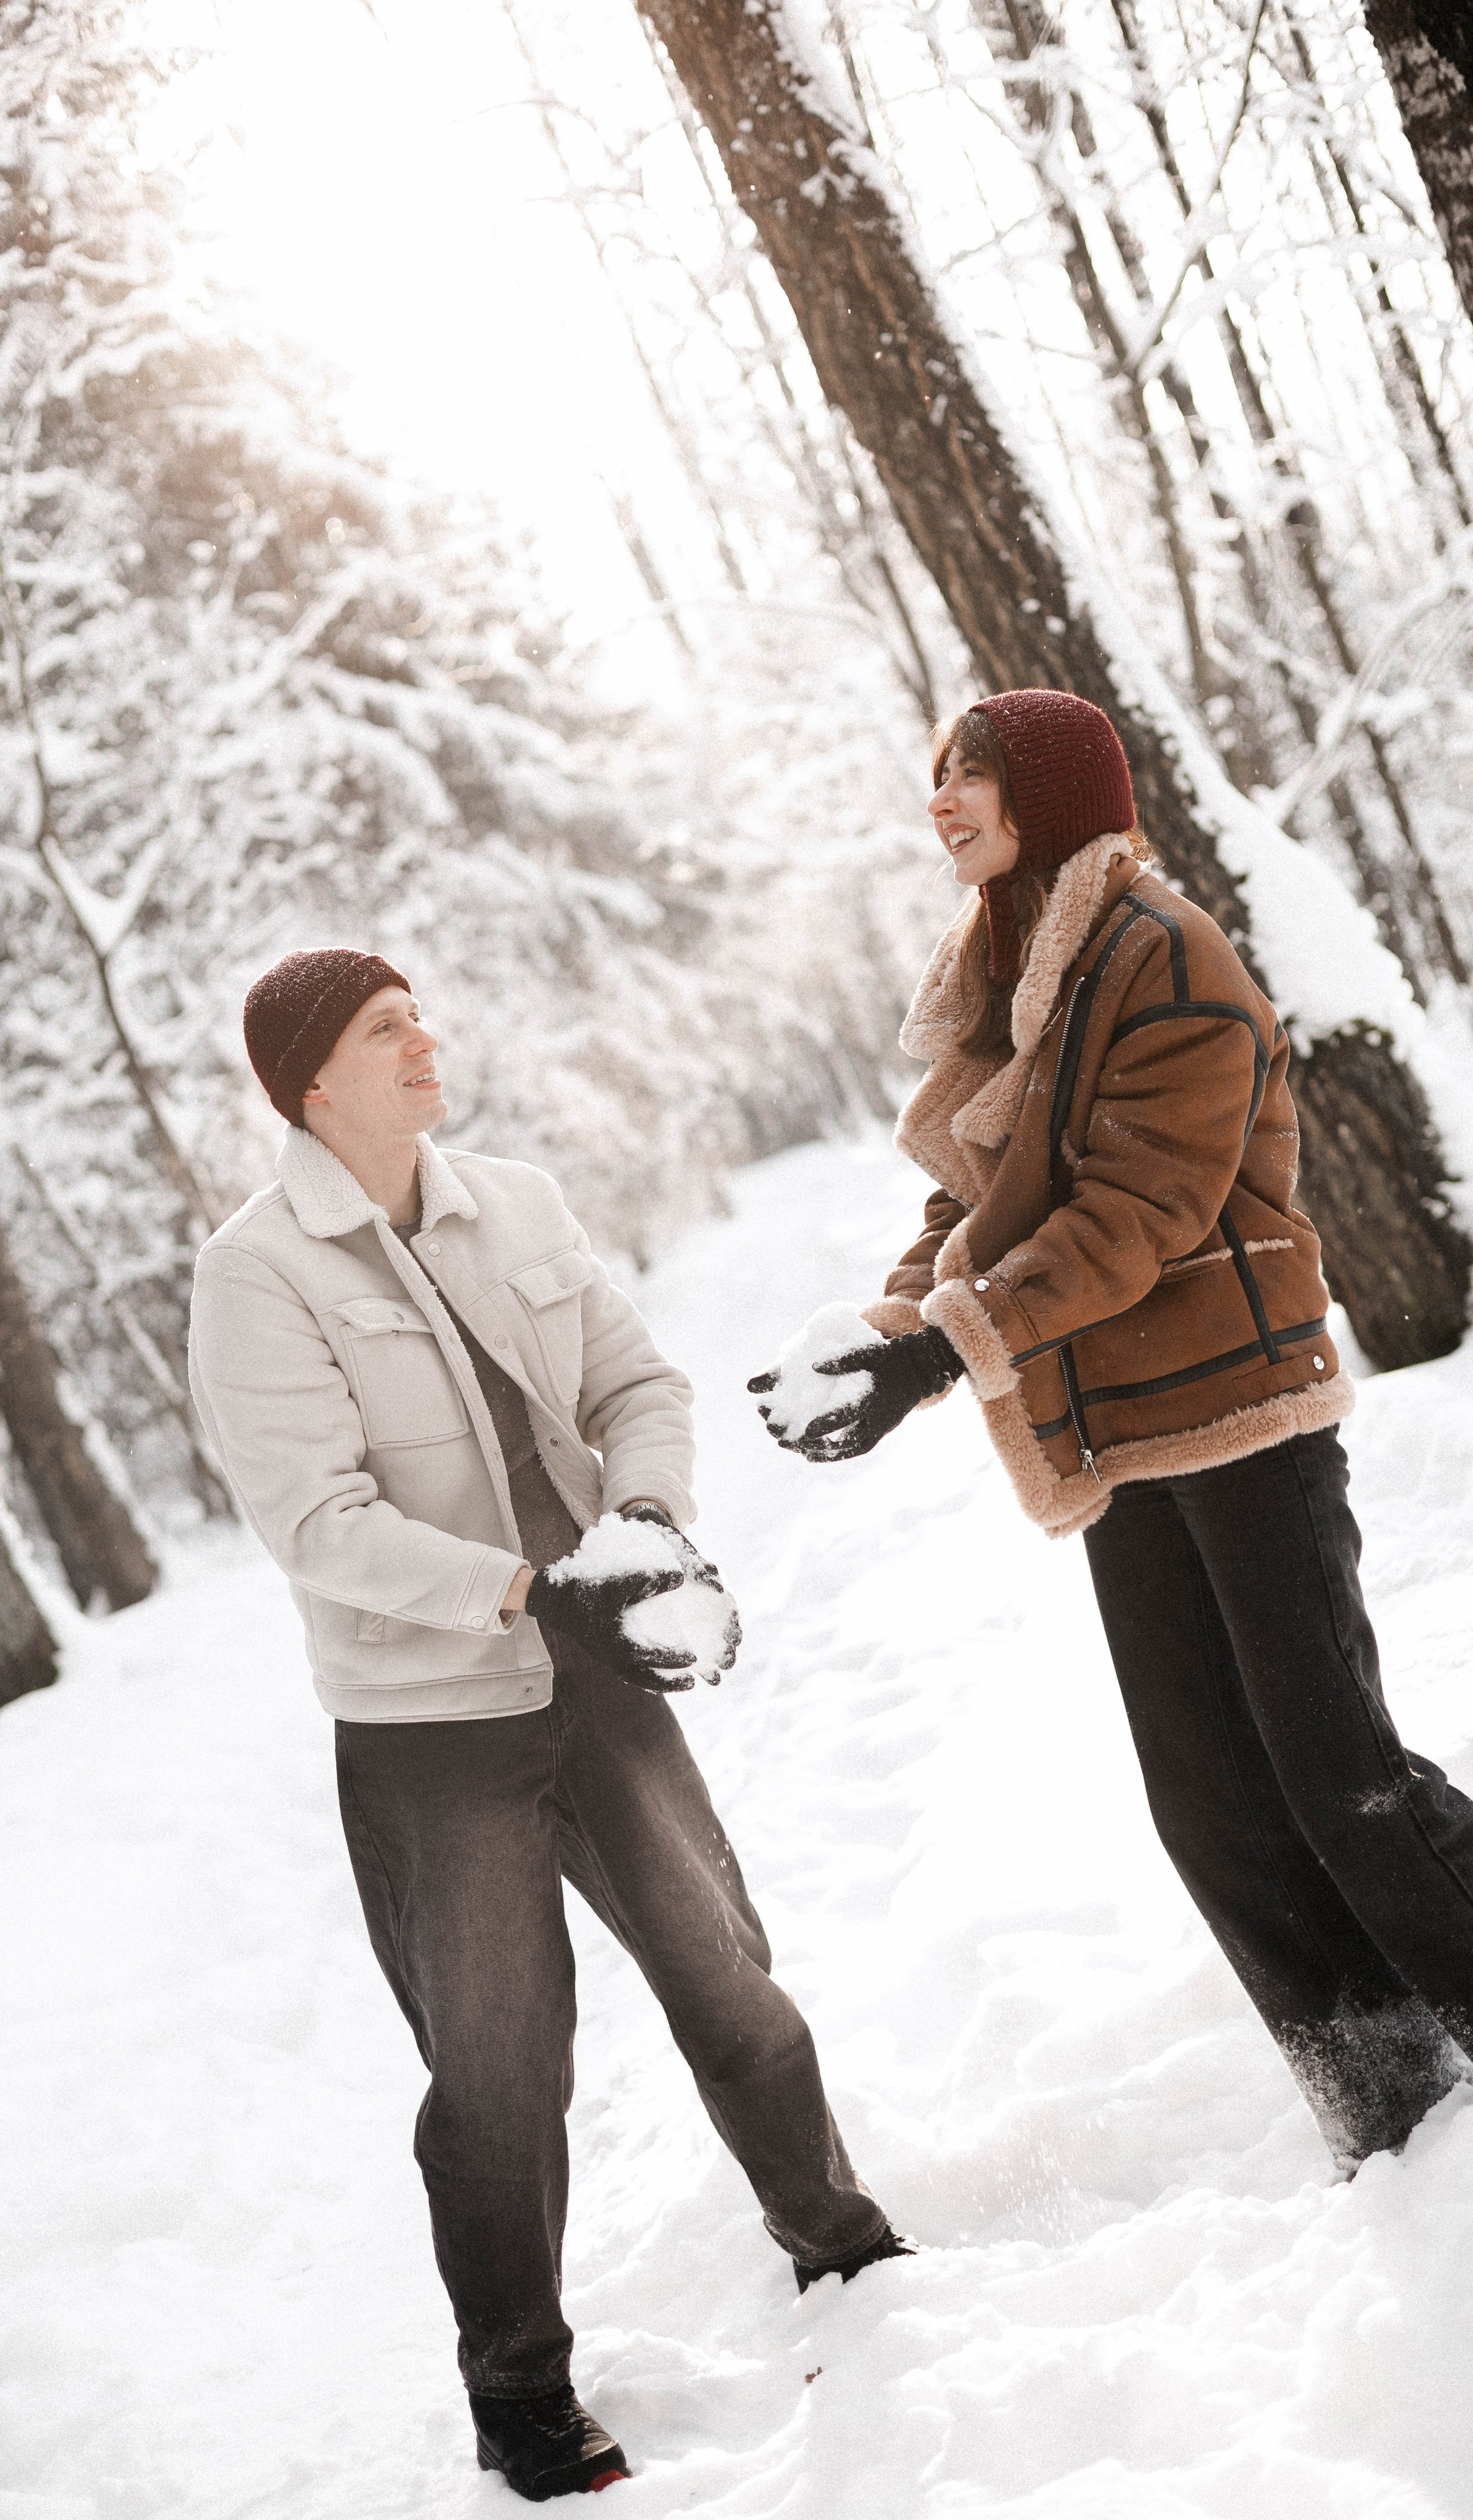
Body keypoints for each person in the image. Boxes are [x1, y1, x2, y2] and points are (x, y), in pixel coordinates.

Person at [188, 949, 903, 2504]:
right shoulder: (259, 1273)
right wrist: (524, 1589)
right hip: (430, 1728)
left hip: (600, 1684)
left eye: (421, 1014)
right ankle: (517, 2388)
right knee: (500, 2075)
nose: (425, 1040)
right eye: (388, 1030)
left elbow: (636, 1382)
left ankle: (841, 2247)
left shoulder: (513, 1201)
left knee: (726, 1974)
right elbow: (316, 1522)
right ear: (312, 1083)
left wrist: (638, 1525)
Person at [752, 689, 1473, 2173]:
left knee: (1334, 1772)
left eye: (969, 779)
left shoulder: (1163, 954)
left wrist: (944, 1351)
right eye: (935, 779)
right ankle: (1384, 2104)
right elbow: (976, 1212)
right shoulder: (1016, 975)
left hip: (1241, 1415)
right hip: (1122, 1436)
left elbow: (1133, 1213)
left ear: (1052, 795)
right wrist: (884, 1343)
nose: (939, 802)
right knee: (1208, 1802)